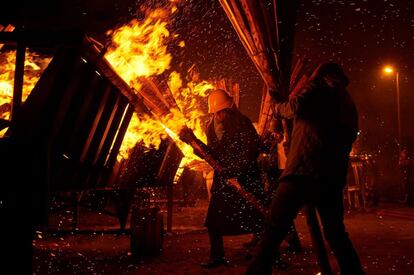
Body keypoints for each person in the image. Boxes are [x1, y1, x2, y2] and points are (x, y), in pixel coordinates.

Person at [246, 63, 365, 275]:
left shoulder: (318, 89)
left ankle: (256, 272)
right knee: (336, 232)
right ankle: (354, 272)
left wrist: (277, 104)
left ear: (321, 76)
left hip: (303, 171)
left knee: (274, 228)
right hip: (331, 177)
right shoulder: (347, 100)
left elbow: (293, 108)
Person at [200, 89, 266, 268]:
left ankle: (265, 255)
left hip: (245, 179)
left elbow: (250, 151)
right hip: (223, 181)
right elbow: (213, 152)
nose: (221, 115)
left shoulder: (242, 123)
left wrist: (236, 170)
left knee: (258, 218)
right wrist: (200, 151)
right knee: (213, 221)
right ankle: (217, 257)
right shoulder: (210, 127)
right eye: (218, 112)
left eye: (224, 112)